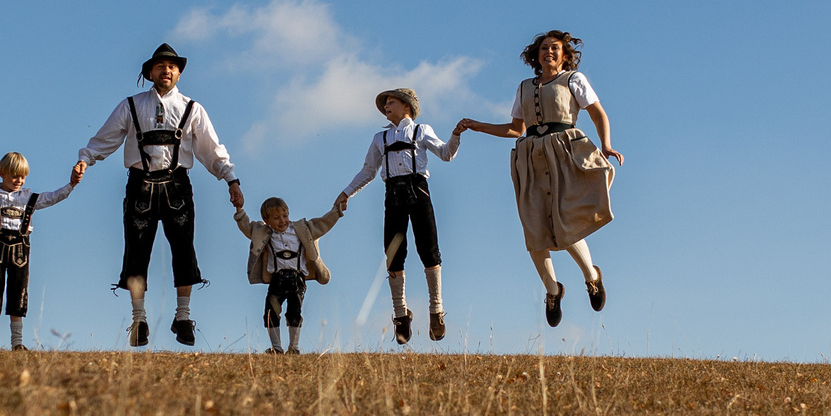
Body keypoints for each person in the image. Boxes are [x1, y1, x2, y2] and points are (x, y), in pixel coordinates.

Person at [75, 43, 244, 347]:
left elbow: (211, 150)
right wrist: (85, 159)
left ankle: (182, 317)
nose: (166, 71)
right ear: (150, 72)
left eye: (172, 66)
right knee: (137, 250)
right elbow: (106, 138)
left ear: (178, 72)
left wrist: (231, 179)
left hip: (177, 185)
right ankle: (139, 320)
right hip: (140, 185)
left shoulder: (193, 108)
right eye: (160, 66)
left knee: (184, 249)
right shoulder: (130, 105)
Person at [452, 30, 622, 327]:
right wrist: (479, 126)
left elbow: (598, 114)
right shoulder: (523, 87)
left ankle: (592, 277)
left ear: (565, 54)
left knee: (564, 222)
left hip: (564, 153)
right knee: (534, 229)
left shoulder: (574, 80)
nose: (549, 52)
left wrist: (605, 144)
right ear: (536, 54)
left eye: (555, 48)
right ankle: (553, 290)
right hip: (530, 158)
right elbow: (517, 129)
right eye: (544, 48)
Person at [335, 87, 461, 344]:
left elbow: (446, 154)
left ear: (407, 106)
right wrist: (346, 193)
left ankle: (436, 310)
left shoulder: (421, 130)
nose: (386, 107)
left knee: (429, 249)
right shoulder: (379, 139)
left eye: (391, 102)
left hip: (419, 191)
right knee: (393, 254)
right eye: (385, 104)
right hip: (392, 195)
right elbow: (368, 172)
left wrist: (456, 135)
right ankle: (401, 315)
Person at [0, 152, 86, 350]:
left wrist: (71, 185)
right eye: (14, 175)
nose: (18, 180)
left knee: (18, 292)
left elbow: (52, 197)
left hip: (20, 252)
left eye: (22, 176)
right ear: (1, 173)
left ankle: (17, 343)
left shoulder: (29, 197)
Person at [234, 194, 344, 353]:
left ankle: (294, 348)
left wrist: (337, 211)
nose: (282, 220)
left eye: (285, 216)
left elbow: (322, 224)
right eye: (276, 218)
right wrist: (239, 210)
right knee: (270, 313)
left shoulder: (301, 229)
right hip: (277, 280)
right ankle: (276, 349)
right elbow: (247, 227)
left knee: (294, 312)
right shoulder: (263, 232)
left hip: (297, 279)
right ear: (267, 220)